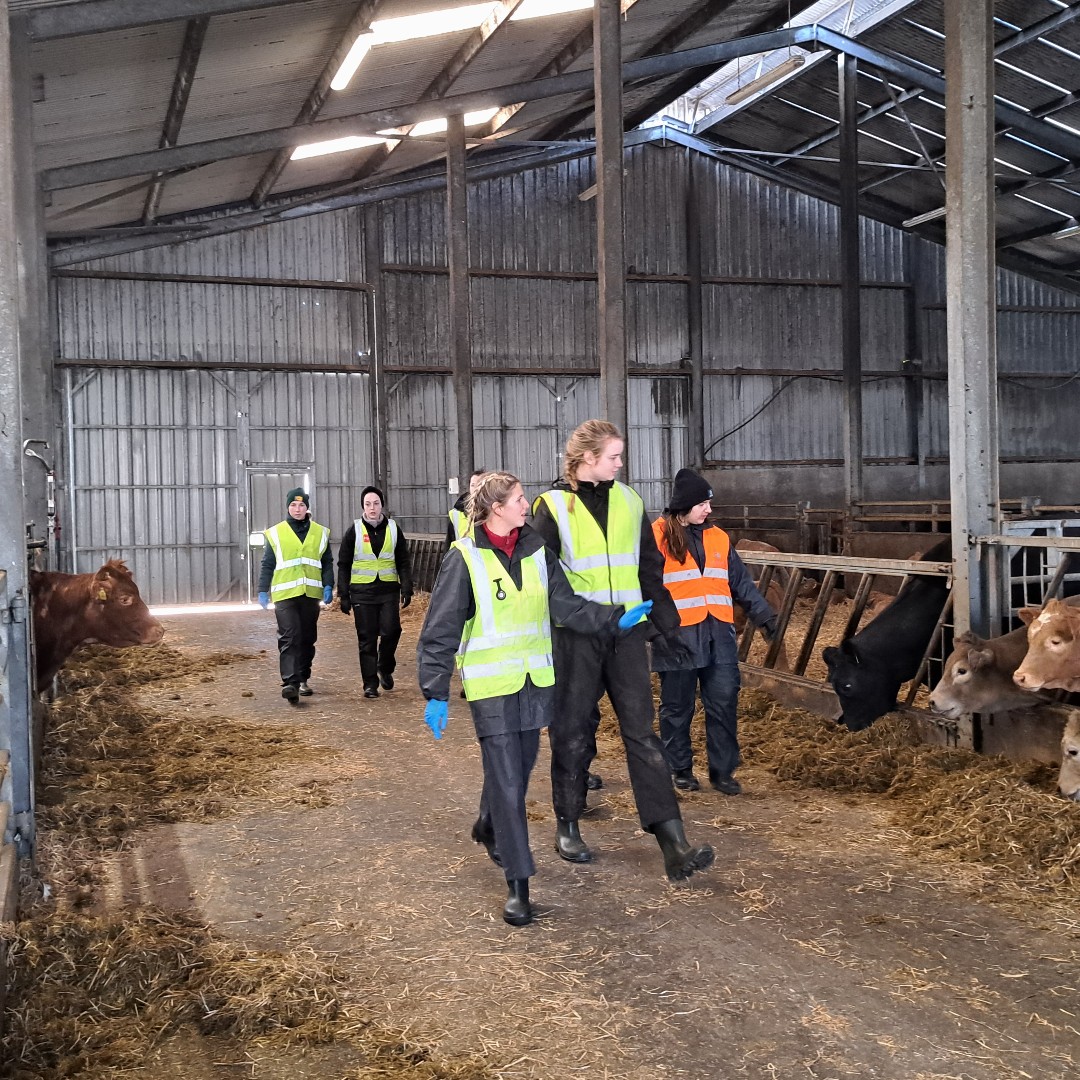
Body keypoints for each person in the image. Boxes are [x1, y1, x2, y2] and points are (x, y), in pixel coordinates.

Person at [417, 471, 650, 926]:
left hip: (533, 683)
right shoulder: (464, 558)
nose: (527, 505)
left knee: (517, 775)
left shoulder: (537, 550)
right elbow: (440, 629)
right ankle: (519, 884)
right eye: (520, 499)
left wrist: (614, 619)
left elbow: (565, 605)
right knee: (507, 780)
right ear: (496, 507)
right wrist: (435, 691)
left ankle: (488, 825)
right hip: (491, 690)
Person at [531, 419, 715, 882]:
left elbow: (648, 569)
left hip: (628, 634)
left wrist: (667, 624)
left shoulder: (630, 501)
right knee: (572, 729)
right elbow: (547, 581)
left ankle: (673, 843)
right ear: (587, 457)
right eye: (613, 455)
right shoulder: (551, 507)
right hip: (578, 634)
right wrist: (591, 618)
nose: (620, 463)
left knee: (642, 735)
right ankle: (568, 821)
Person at [652, 469, 778, 795]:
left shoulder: (719, 537)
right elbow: (645, 584)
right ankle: (680, 768)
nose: (708, 509)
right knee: (677, 707)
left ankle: (722, 772)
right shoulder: (658, 537)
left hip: (719, 634)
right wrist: (653, 630)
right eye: (702, 503)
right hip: (677, 637)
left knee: (723, 703)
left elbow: (739, 583)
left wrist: (765, 616)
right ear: (684, 506)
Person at [258, 488, 334, 704]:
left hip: (310, 593)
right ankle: (290, 683)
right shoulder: (276, 533)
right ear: (287, 507)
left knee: (307, 638)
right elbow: (268, 563)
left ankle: (303, 678)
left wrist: (328, 584)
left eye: (301, 505)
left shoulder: (320, 532)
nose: (297, 509)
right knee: (290, 635)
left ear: (307, 507)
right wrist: (263, 589)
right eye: (293, 505)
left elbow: (326, 562)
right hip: (285, 594)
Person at [337, 485, 413, 699]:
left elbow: (403, 561)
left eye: (376, 503)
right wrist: (343, 595)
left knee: (392, 631)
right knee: (367, 638)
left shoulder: (393, 529)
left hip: (388, 590)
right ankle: (370, 684)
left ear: (382, 505)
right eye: (368, 504)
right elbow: (343, 564)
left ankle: (384, 666)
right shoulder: (354, 530)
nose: (372, 508)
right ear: (363, 506)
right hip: (362, 593)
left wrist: (407, 587)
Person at [445, 468, 488, 551]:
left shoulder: (495, 511)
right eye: (473, 485)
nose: (476, 488)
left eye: (480, 484)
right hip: (463, 559)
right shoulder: (457, 513)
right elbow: (449, 542)